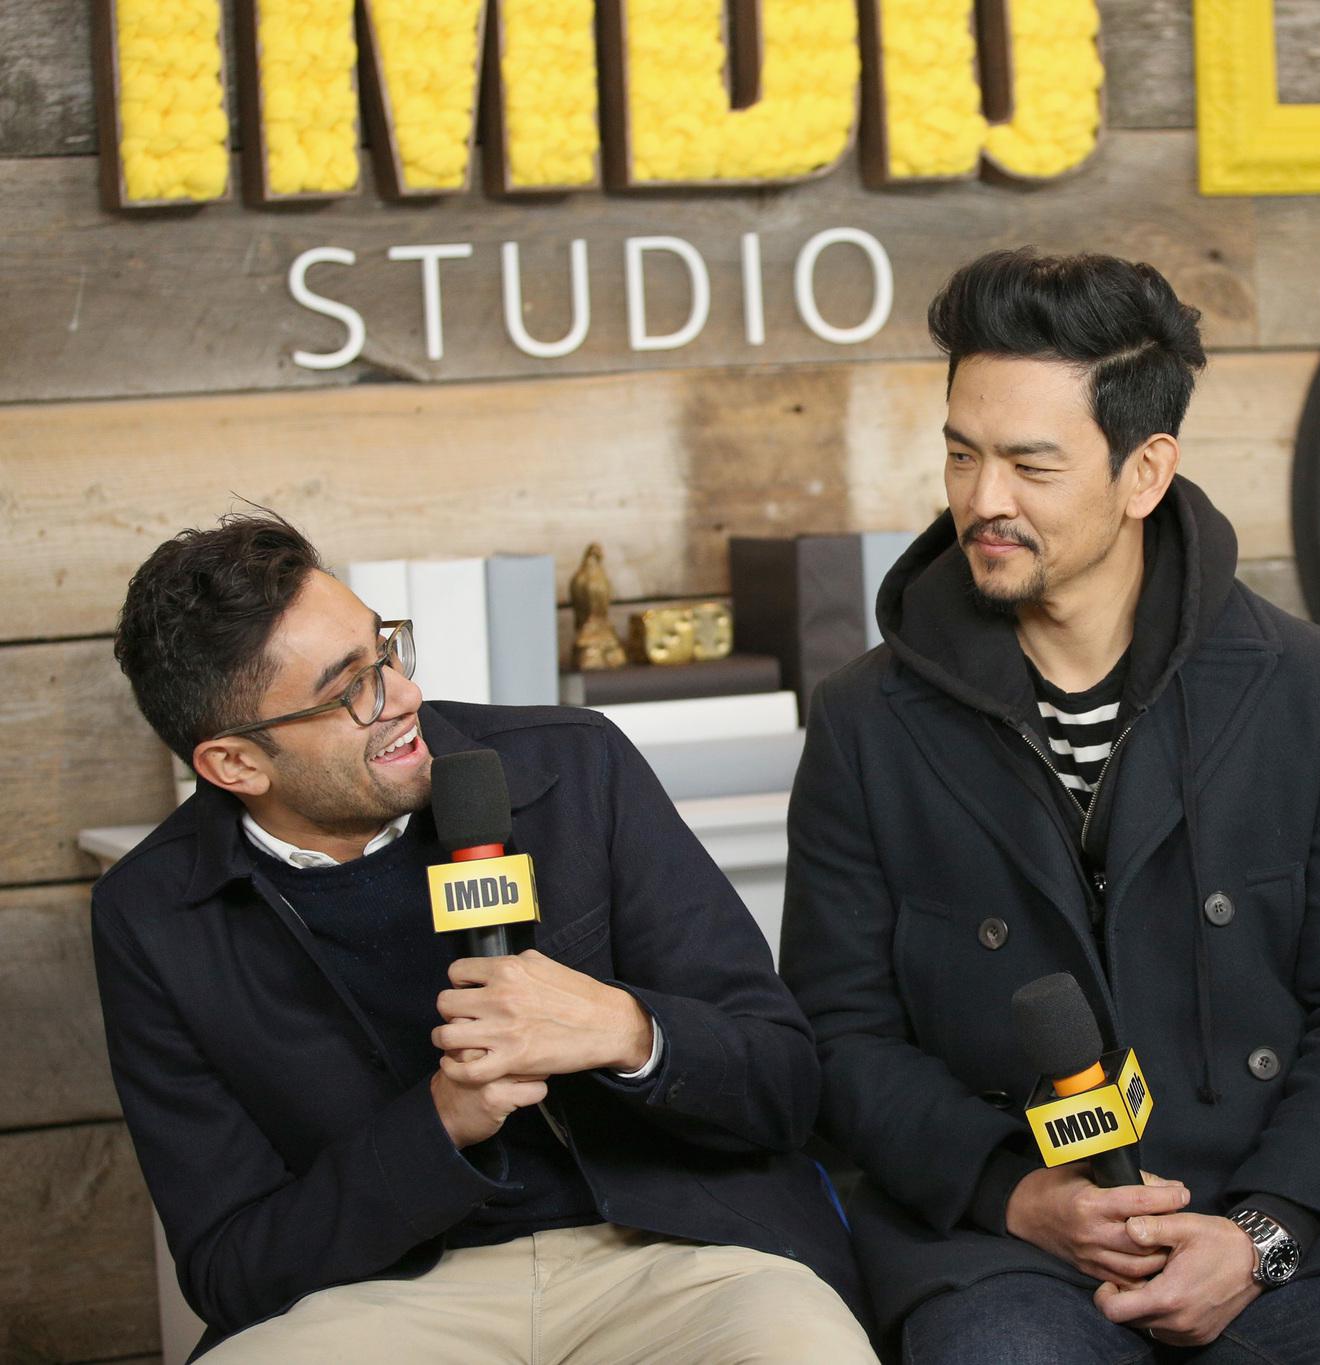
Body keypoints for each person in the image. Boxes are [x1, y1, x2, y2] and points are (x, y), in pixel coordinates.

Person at [778, 249, 1320, 1363]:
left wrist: (1260, 1234)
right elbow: (838, 1031)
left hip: (1286, 1219)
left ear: (1144, 472)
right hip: (1004, 1239)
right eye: (961, 455)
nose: (981, 501)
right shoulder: (866, 720)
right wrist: (1014, 1194)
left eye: (1029, 464)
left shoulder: (1305, 688)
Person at [94, 514, 875, 1361]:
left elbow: (787, 1085)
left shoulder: (575, 767)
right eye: (350, 687)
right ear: (236, 766)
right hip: (379, 1298)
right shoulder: (152, 915)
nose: (403, 695)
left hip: (677, 1256)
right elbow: (230, 1267)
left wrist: (625, 1029)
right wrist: (438, 1125)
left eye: (386, 650)